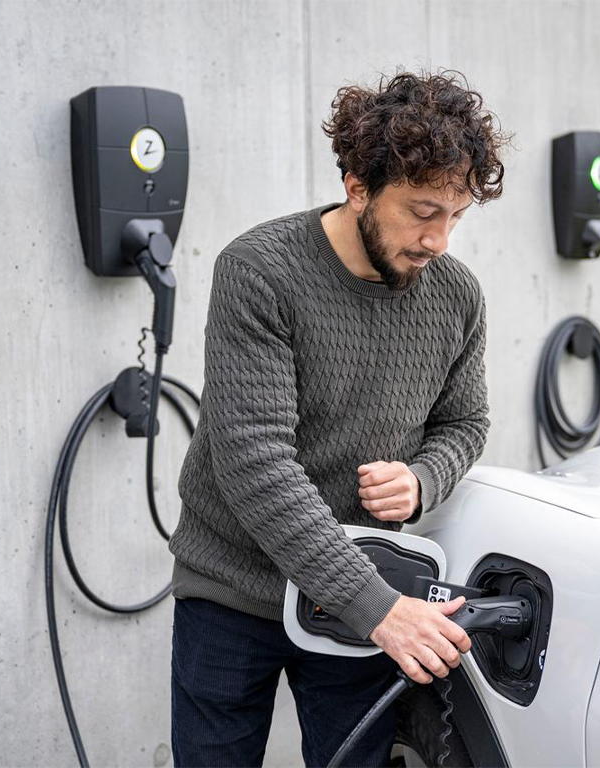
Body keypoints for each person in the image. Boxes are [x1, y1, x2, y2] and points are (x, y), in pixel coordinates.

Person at [168, 70, 509, 768]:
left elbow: (466, 423)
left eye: (456, 216)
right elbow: (255, 464)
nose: (439, 240)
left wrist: (422, 479)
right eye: (422, 211)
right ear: (358, 187)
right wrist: (379, 609)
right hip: (235, 590)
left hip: (363, 591)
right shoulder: (260, 272)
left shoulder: (458, 296)